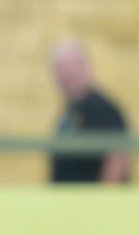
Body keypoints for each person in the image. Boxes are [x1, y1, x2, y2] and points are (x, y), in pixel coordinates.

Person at [49, 40, 130, 183]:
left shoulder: (102, 108)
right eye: (61, 71)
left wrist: (103, 202)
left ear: (86, 68)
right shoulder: (70, 111)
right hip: (70, 202)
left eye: (71, 71)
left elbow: (117, 159)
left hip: (90, 203)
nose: (65, 77)